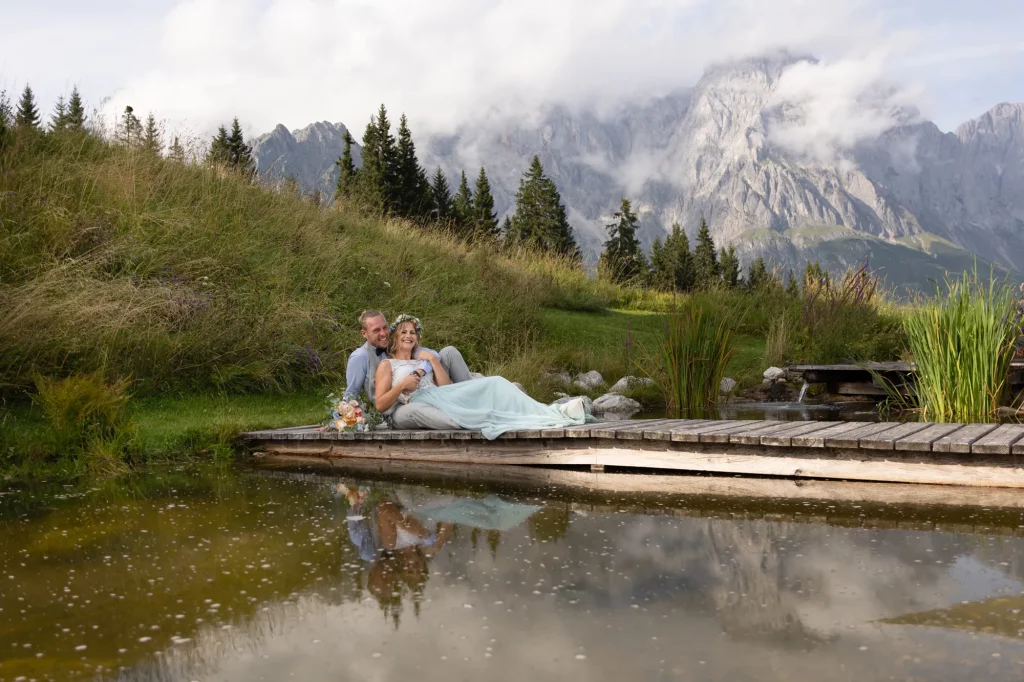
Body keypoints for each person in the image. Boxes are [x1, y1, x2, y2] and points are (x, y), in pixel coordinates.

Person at [375, 315, 591, 439]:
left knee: (496, 382)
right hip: (416, 404)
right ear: (395, 337)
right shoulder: (388, 365)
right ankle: (511, 419)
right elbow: (381, 404)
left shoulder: (424, 359)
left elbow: (447, 387)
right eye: (403, 332)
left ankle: (554, 411)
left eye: (412, 332)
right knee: (461, 417)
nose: (408, 336)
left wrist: (432, 361)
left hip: (441, 396)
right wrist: (402, 384)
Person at [343, 310, 474, 429]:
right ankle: (467, 422)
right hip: (396, 408)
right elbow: (351, 395)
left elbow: (432, 354)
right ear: (364, 333)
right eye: (376, 330)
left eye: (385, 328)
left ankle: (473, 400)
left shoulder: (398, 341)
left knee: (449, 352)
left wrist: (421, 370)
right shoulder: (360, 357)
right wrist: (341, 423)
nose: (383, 334)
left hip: (426, 392)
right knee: (416, 409)